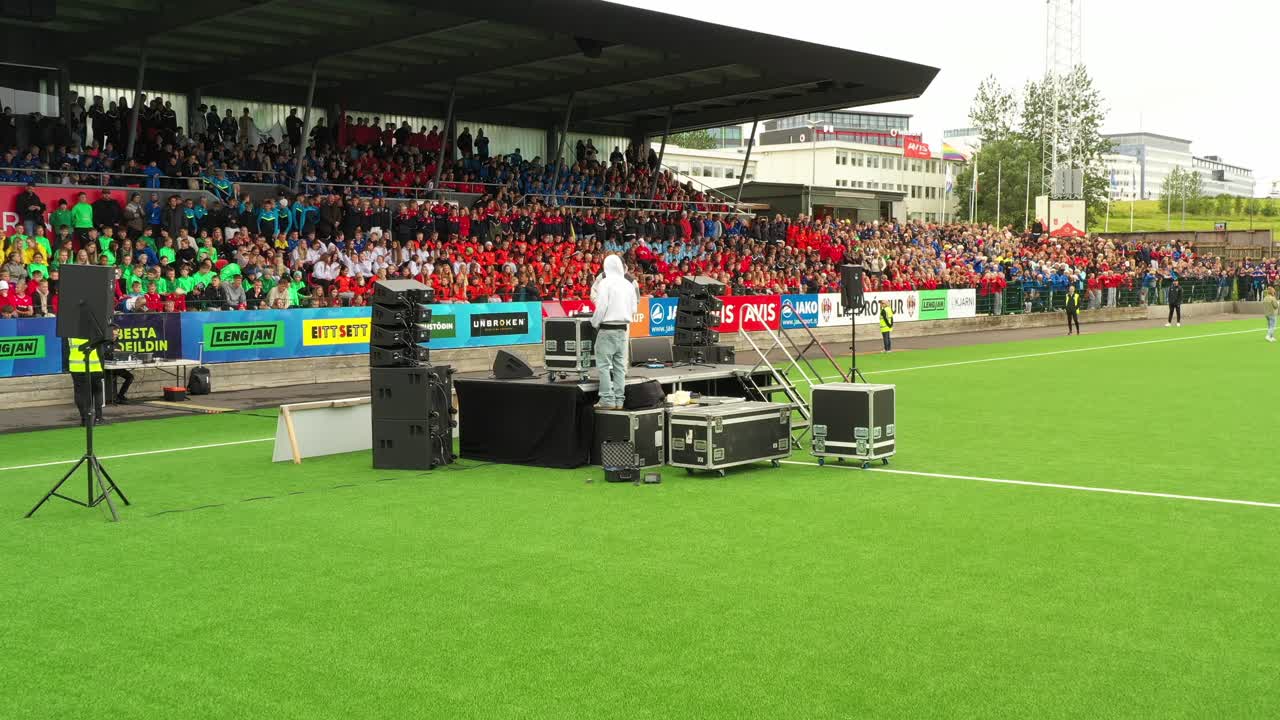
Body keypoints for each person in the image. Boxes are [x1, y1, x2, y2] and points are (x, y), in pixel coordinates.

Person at [589, 254, 638, 410]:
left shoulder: (605, 284)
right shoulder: (628, 284)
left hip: (607, 329)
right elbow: (634, 308)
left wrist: (594, 323)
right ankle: (619, 400)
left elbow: (601, 307)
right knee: (619, 367)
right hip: (623, 330)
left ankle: (607, 399)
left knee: (603, 366)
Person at [68, 335, 106, 425]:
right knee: (97, 392)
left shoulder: (70, 332)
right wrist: (102, 369)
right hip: (94, 366)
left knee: (80, 393)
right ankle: (98, 418)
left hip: (76, 367)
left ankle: (85, 419)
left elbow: (67, 349)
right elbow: (100, 352)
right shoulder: (93, 330)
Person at [103, 323, 134, 404]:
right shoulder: (104, 342)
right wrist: (112, 351)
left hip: (116, 367)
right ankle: (113, 398)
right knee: (112, 377)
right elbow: (103, 353)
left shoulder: (117, 342)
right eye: (114, 334)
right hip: (106, 367)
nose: (115, 336)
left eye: (117, 334)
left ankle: (120, 395)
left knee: (130, 377)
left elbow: (119, 353)